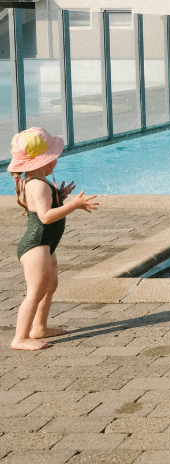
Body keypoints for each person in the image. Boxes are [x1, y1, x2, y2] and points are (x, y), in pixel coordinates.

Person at [9, 128, 98, 351]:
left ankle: (39, 327)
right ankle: (20, 338)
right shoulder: (38, 185)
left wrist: (60, 196)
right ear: (42, 162)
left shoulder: (38, 181)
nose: (55, 161)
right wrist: (73, 206)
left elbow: (47, 205)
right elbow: (45, 217)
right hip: (36, 245)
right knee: (36, 292)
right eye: (53, 157)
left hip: (46, 245)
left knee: (50, 286)